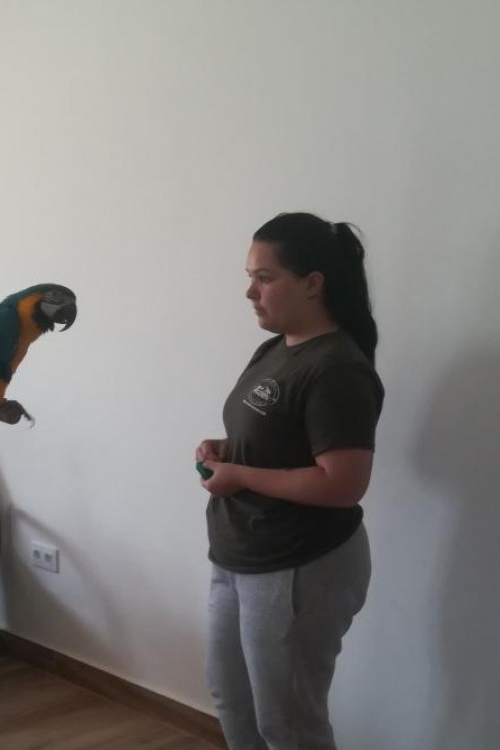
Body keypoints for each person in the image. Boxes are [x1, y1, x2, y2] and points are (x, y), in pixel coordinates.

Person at [196, 212, 384, 750]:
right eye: (250, 277)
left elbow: (343, 484)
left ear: (312, 283)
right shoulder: (276, 349)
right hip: (238, 555)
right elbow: (281, 437)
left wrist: (240, 474)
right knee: (232, 700)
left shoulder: (338, 369)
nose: (250, 292)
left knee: (289, 726)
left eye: (265, 277)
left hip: (298, 567)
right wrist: (228, 449)